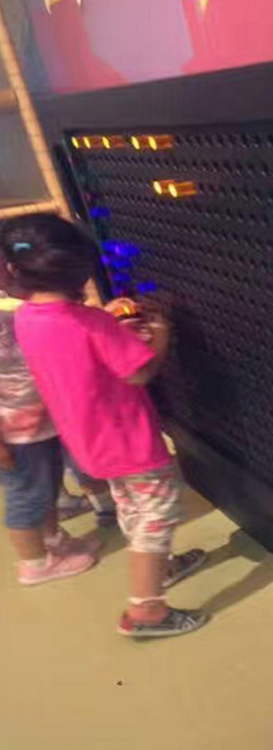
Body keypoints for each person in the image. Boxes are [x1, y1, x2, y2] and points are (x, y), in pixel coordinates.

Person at [1, 213, 208, 638]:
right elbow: (138, 372)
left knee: (133, 510)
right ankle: (146, 611)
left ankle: (162, 568)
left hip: (89, 443)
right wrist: (161, 334)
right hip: (130, 442)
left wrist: (107, 325)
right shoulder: (92, 324)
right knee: (156, 516)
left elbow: (72, 344)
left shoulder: (26, 318)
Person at [0, 286, 100, 584]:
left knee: (47, 487)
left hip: (37, 421)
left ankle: (53, 541)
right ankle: (34, 563)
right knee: (26, 496)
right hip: (13, 433)